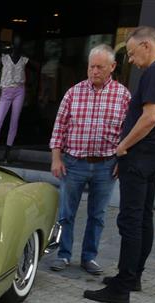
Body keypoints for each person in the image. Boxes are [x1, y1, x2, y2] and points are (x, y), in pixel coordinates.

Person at [84, 26, 155, 303]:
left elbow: (151, 117)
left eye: (130, 53)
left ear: (146, 46)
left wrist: (123, 146)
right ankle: (132, 277)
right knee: (143, 218)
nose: (130, 60)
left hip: (139, 157)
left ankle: (121, 288)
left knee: (130, 221)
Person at [48, 44, 131, 275]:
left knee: (98, 215)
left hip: (106, 165)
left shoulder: (123, 96)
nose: (94, 71)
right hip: (73, 163)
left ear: (112, 67)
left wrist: (121, 161)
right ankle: (63, 255)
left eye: (100, 67)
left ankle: (89, 257)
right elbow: (59, 128)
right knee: (66, 213)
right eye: (91, 66)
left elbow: (128, 132)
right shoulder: (73, 93)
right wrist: (56, 158)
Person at [0, 36, 29, 162]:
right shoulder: (3, 58)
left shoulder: (24, 60)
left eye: (20, 44)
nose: (18, 46)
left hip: (19, 90)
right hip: (5, 91)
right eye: (16, 44)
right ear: (12, 45)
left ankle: (6, 154)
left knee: (14, 121)